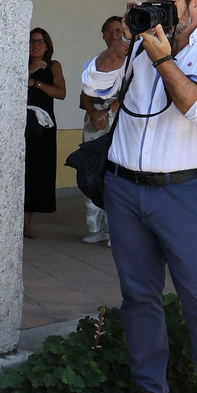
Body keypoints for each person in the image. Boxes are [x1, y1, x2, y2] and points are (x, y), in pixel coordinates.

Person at [83, 0, 197, 393]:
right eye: (151, 4)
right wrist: (125, 41)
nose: (158, 14)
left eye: (168, 6)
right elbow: (94, 88)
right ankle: (150, 392)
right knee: (139, 295)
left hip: (185, 192)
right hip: (125, 188)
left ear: (196, 4)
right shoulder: (141, 43)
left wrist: (164, 61)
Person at [78, 16, 126, 245]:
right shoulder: (96, 62)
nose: (113, 34)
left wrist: (105, 111)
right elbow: (84, 94)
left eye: (118, 30)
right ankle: (95, 228)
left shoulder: (131, 63)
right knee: (90, 170)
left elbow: (126, 95)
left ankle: (113, 230)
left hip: (117, 121)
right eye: (109, 30)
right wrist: (94, 113)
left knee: (112, 174)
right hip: (93, 122)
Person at [25, 27, 67, 237]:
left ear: (47, 45)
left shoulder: (53, 65)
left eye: (40, 41)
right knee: (23, 171)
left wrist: (37, 83)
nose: (35, 45)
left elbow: (61, 93)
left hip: (44, 126)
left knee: (38, 172)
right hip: (22, 125)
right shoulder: (20, 63)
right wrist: (30, 71)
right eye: (32, 41)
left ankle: (26, 223)